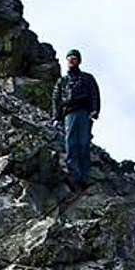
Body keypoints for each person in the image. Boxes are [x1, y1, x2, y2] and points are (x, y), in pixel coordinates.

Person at [52, 49, 101, 189]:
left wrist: (95, 110)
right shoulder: (62, 81)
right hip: (69, 113)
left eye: (74, 58)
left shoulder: (87, 78)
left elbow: (94, 93)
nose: (71, 60)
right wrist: (56, 117)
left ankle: (84, 176)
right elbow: (56, 99)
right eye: (69, 58)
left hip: (84, 113)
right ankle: (74, 174)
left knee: (84, 143)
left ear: (79, 61)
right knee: (71, 142)